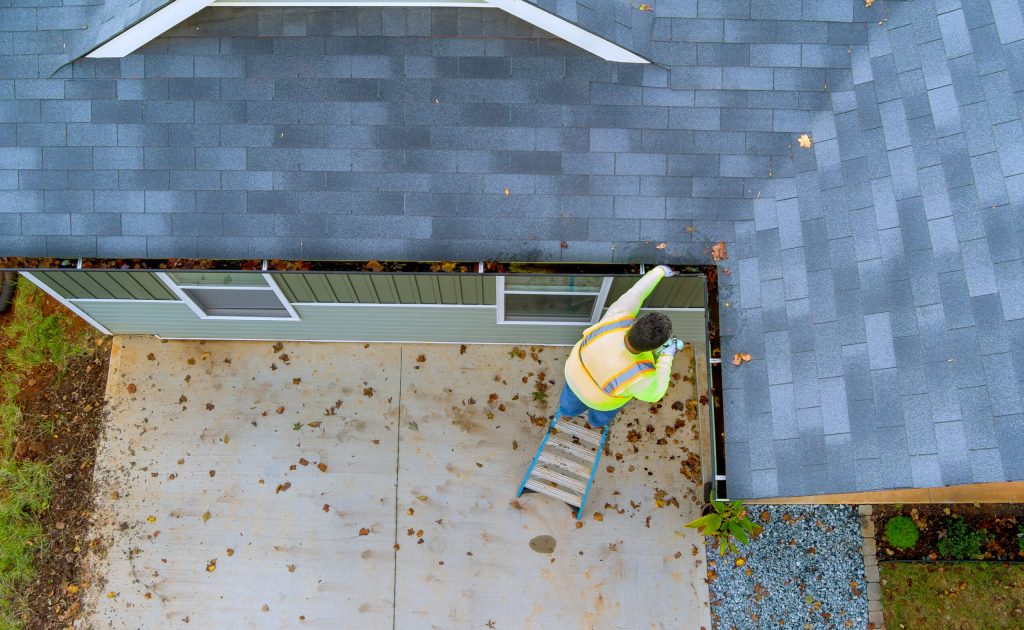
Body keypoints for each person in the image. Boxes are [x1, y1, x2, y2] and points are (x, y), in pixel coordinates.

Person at [557, 264, 683, 429]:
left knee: (570, 400)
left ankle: (566, 412)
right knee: (603, 413)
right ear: (654, 348)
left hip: (574, 375)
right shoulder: (640, 375)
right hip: (601, 400)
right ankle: (595, 423)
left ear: (635, 323)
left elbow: (636, 293)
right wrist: (667, 356)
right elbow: (655, 393)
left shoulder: (617, 318)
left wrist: (658, 272)